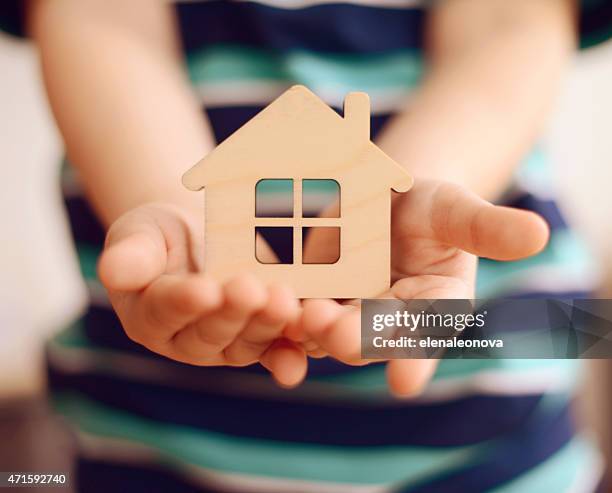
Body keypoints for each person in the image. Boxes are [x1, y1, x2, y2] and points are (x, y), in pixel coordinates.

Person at [2, 0, 610, 491]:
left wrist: (399, 190)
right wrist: (179, 205)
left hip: (486, 406)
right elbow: (99, 19)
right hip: (152, 416)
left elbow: (509, 23)